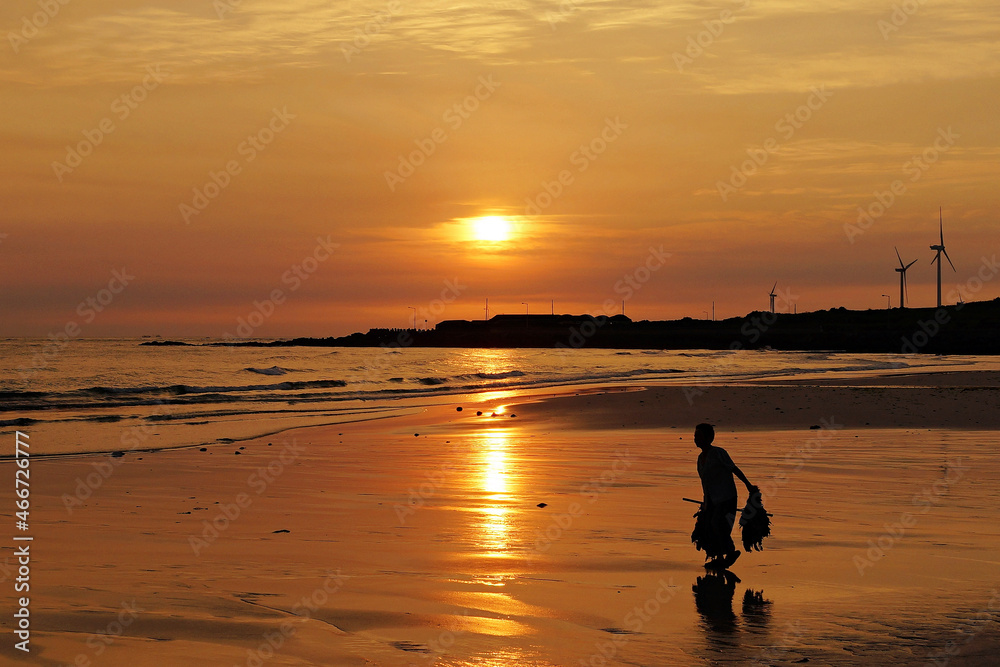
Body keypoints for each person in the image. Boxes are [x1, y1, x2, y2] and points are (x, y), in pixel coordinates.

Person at [694, 423, 757, 569]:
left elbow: (733, 468)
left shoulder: (718, 453)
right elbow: (705, 482)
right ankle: (719, 557)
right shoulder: (699, 459)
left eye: (699, 436)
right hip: (711, 499)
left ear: (709, 438)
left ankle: (730, 551)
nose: (696, 439)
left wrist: (748, 485)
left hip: (726, 497)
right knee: (709, 526)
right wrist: (705, 502)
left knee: (717, 524)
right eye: (695, 436)